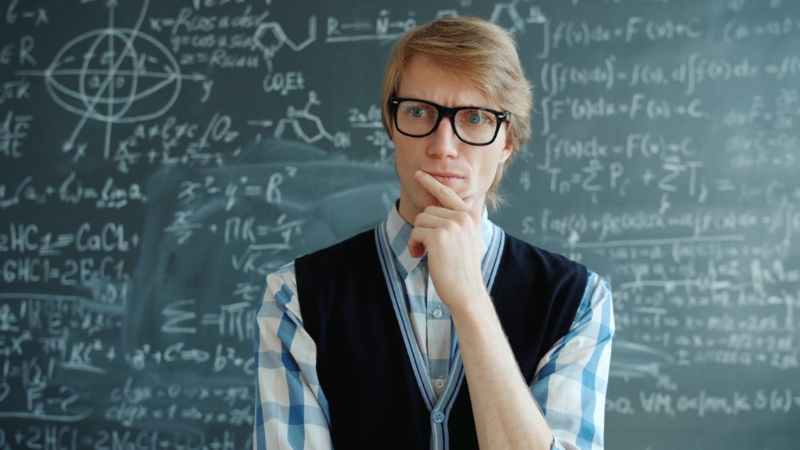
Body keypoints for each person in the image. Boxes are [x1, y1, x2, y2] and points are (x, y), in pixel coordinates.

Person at [254, 16, 614, 450]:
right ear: (392, 125)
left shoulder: (577, 302)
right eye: (419, 112)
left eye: (476, 117)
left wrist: (470, 299)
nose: (443, 144)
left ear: (508, 143)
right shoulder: (295, 298)